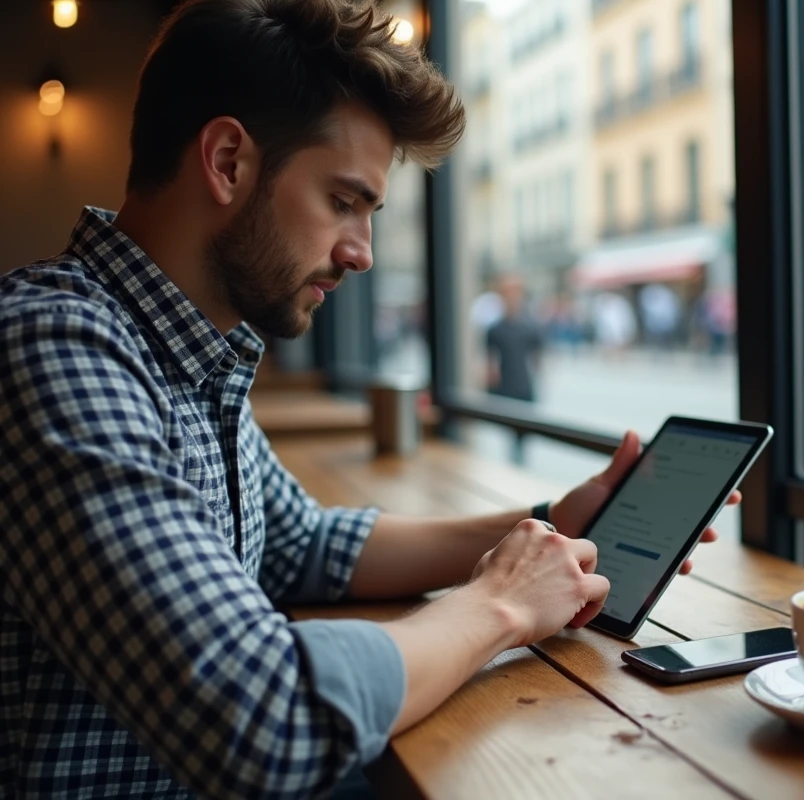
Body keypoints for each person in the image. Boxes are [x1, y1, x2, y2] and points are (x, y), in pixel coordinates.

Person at [0, 2, 735, 798]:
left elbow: (300, 544)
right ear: (227, 162)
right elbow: (268, 720)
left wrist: (551, 522)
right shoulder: (53, 345)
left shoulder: (188, 353)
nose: (361, 253)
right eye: (343, 201)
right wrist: (501, 605)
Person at [486, 273, 544, 464]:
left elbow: (537, 359)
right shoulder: (495, 329)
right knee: (510, 434)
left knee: (523, 435)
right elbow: (490, 363)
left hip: (524, 386)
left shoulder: (530, 326)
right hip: (505, 387)